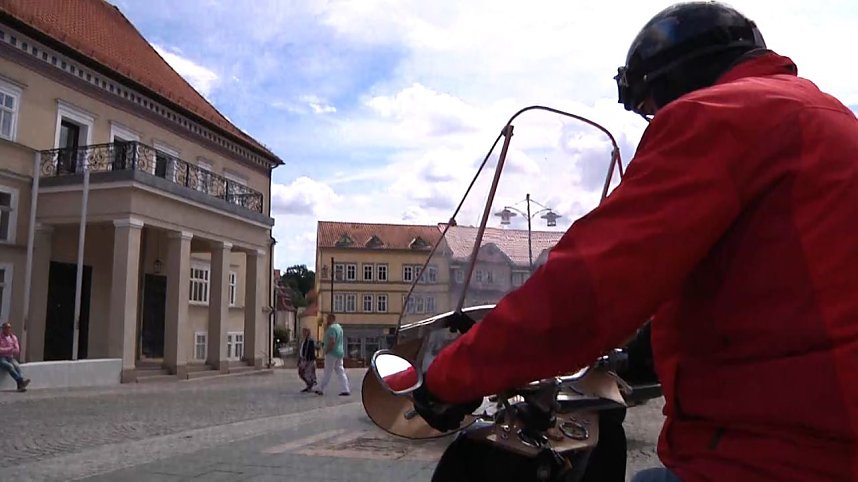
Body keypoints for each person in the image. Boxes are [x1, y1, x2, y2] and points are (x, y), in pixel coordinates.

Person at [408, 2, 858, 482]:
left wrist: (448, 377)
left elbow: (587, 287)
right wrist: (645, 352)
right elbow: (778, 283)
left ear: (671, 80)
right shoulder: (825, 117)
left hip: (778, 453)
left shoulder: (718, 115)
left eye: (649, 109)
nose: (655, 121)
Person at [315, 314, 350, 396]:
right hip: (339, 352)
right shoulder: (339, 327)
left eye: (328, 319)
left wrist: (327, 350)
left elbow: (332, 341)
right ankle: (345, 388)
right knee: (340, 371)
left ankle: (321, 388)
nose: (327, 320)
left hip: (332, 353)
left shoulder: (331, 329)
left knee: (327, 371)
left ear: (331, 319)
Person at [0, 322, 30, 392]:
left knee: (17, 366)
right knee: (9, 366)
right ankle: (20, 381)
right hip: (2, 358)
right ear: (3, 329)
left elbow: (17, 350)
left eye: (9, 328)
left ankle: (20, 385)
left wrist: (8, 350)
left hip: (10, 357)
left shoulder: (13, 338)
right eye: (6, 328)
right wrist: (10, 349)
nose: (8, 329)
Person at [297, 327, 317, 393]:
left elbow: (311, 351)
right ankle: (309, 385)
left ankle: (310, 385)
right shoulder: (304, 340)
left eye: (305, 332)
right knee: (301, 373)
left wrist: (309, 360)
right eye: (303, 332)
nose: (303, 333)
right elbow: (301, 350)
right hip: (303, 359)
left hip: (308, 360)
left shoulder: (310, 341)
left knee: (307, 373)